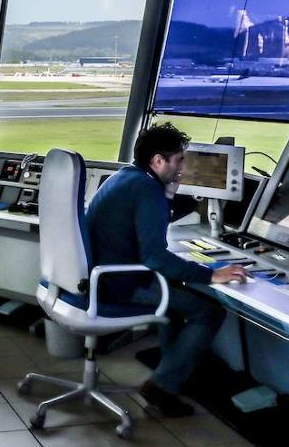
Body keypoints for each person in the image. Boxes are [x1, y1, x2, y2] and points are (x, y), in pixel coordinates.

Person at [83, 122, 247, 417]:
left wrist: (168, 195)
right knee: (208, 311)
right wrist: (211, 274)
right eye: (180, 159)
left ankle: (170, 377)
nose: (184, 166)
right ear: (158, 161)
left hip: (101, 276)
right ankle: (162, 385)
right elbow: (156, 258)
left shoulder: (124, 177)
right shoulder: (147, 190)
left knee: (175, 306)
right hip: (121, 283)